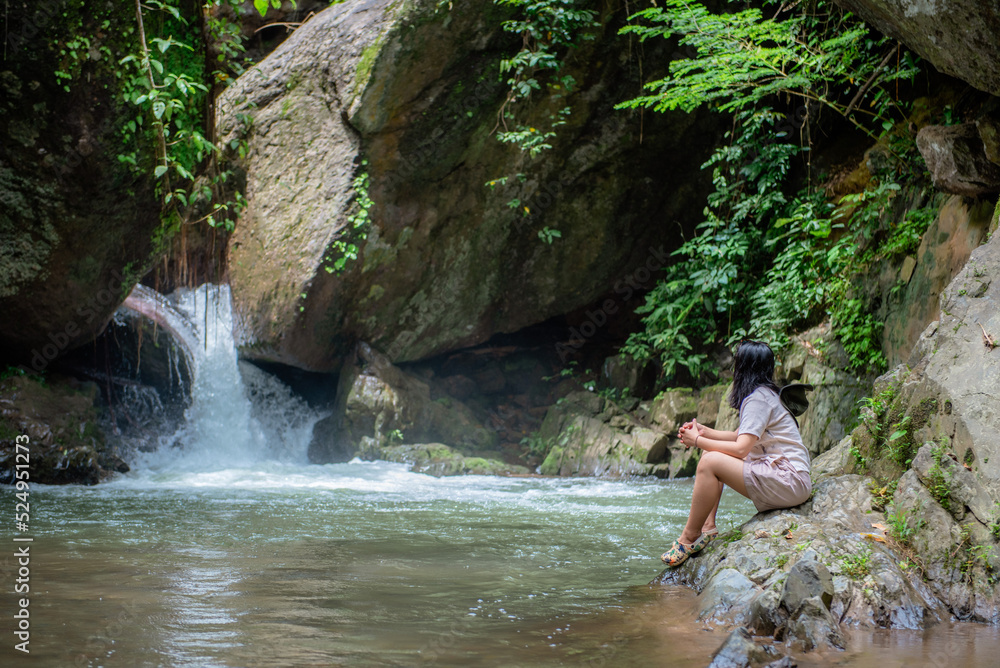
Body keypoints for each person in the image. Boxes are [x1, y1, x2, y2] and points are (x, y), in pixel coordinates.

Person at [660, 340, 812, 567]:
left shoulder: (758, 400)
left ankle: (688, 539)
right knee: (709, 455)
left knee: (710, 460)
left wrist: (698, 441)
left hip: (789, 480)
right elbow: (737, 436)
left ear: (744, 368)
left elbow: (742, 448)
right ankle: (707, 528)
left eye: (736, 364)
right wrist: (703, 431)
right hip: (791, 479)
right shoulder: (766, 394)